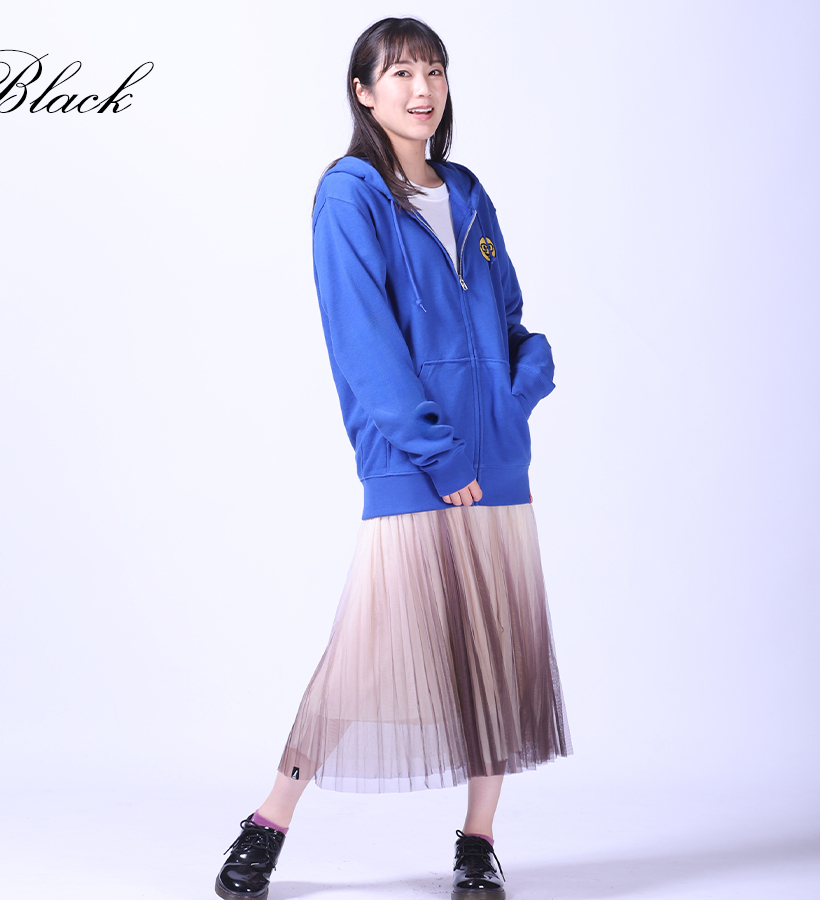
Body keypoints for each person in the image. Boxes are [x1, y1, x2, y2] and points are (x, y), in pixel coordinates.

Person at [214, 16, 571, 900]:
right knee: (365, 652)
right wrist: (436, 453)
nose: (422, 89)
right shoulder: (351, 195)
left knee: (497, 655)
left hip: (498, 458)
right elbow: (363, 343)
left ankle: (478, 841)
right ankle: (270, 820)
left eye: (435, 71)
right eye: (402, 73)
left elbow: (511, 320)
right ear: (364, 92)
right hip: (415, 462)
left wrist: (524, 384)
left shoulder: (468, 191)